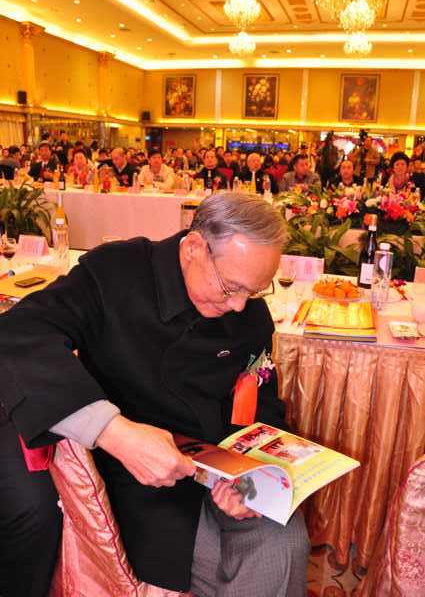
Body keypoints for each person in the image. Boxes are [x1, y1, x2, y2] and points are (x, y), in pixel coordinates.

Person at [0, 193, 310, 597]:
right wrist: (112, 431)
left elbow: (263, 402)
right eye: (230, 287)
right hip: (136, 481)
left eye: (252, 292)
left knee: (286, 543)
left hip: (222, 473)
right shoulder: (117, 271)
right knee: (245, 565)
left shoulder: (250, 315)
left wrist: (256, 475)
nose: (238, 306)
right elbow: (19, 333)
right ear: (195, 247)